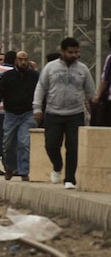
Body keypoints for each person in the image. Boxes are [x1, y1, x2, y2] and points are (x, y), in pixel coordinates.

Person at [33, 37, 95, 190]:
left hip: (75, 114)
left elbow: (90, 93)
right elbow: (41, 88)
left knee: (73, 147)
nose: (74, 55)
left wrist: (93, 113)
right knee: (51, 144)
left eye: (76, 52)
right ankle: (57, 166)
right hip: (53, 113)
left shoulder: (83, 69)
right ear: (62, 52)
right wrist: (37, 108)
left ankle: (70, 178)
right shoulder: (50, 68)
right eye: (70, 52)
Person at [0, 51, 40, 180]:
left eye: (25, 59)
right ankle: (10, 167)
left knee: (24, 142)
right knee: (8, 144)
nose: (23, 62)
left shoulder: (34, 76)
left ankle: (24, 171)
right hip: (11, 114)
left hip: (28, 114)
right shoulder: (8, 76)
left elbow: (42, 91)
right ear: (15, 61)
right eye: (20, 59)